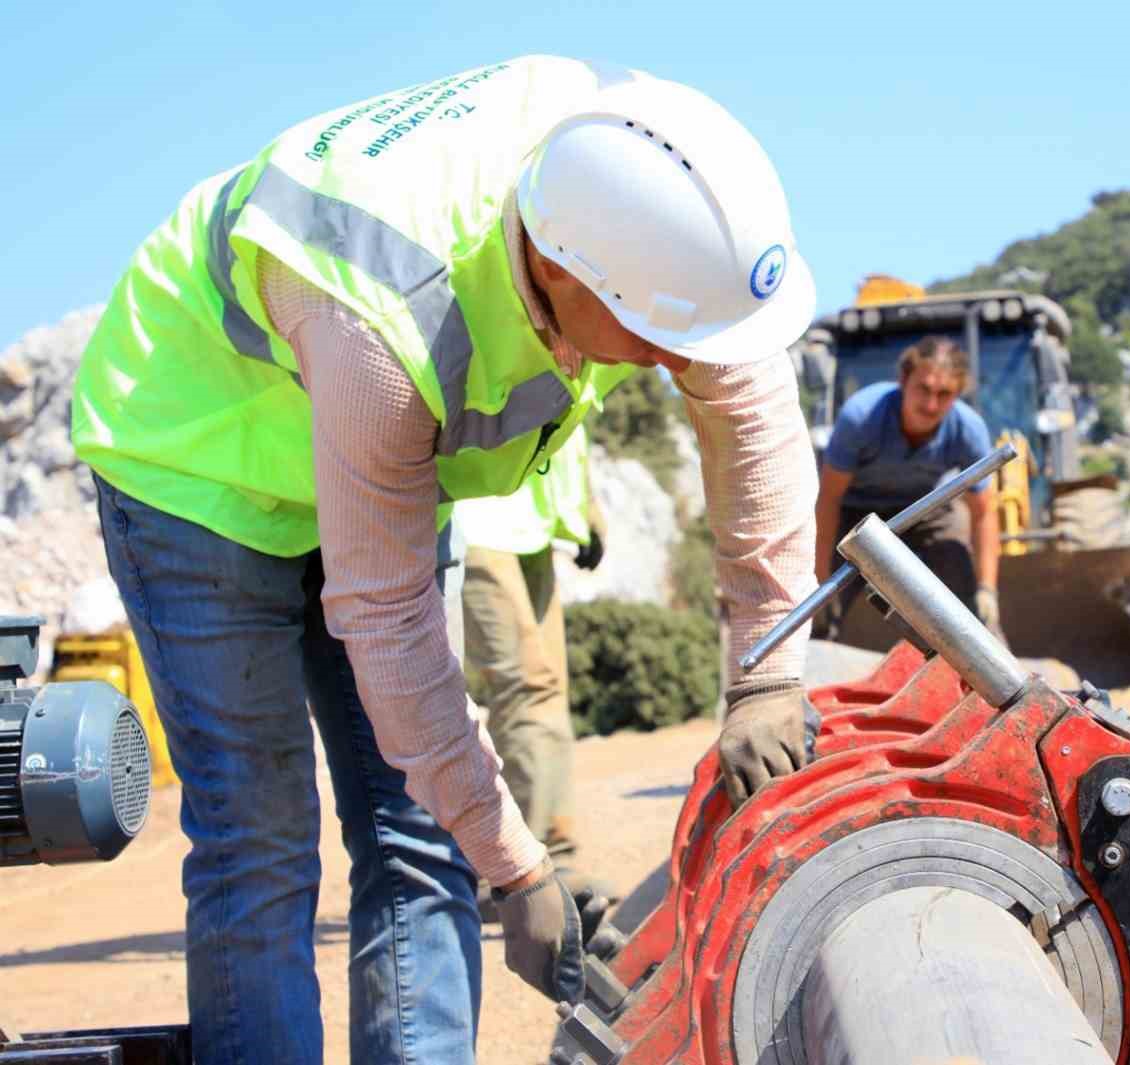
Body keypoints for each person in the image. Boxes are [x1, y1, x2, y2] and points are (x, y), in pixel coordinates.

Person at [71, 56, 819, 1065]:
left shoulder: (643, 179)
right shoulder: (391, 315)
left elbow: (752, 419)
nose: (678, 363)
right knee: (261, 840)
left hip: (370, 447)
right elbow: (386, 622)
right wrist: (516, 869)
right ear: (560, 272)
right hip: (198, 461)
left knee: (418, 830)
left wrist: (767, 673)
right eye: (658, 338)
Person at [453, 426, 607, 912]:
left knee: (548, 686)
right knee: (526, 684)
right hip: (471, 514)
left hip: (532, 521)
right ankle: (523, 869)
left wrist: (585, 503)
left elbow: (573, 411)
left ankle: (550, 856)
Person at [814, 336, 1002, 633]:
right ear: (903, 380)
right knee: (824, 602)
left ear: (957, 395)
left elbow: (983, 511)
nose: (930, 404)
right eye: (923, 389)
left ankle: (990, 650)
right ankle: (820, 637)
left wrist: (987, 589)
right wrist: (819, 579)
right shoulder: (861, 417)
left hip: (924, 509)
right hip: (855, 515)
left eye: (944, 394)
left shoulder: (968, 430)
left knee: (957, 560)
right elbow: (828, 499)